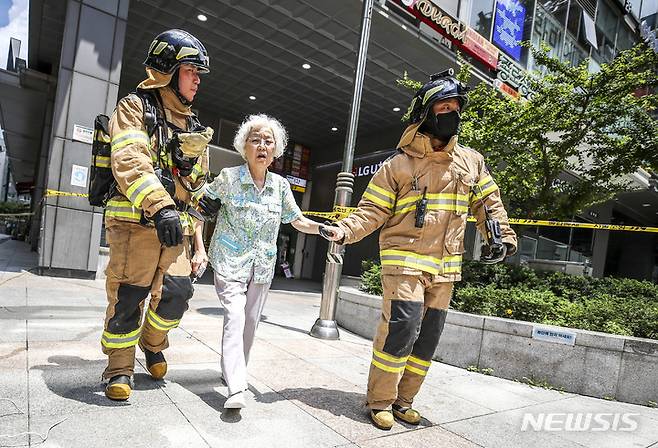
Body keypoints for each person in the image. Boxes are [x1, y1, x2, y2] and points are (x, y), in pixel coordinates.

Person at [324, 70, 517, 429]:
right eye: (444, 107)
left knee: (427, 339)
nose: (452, 114)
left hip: (445, 267)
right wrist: (344, 229)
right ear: (426, 112)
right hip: (405, 264)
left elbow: (489, 204)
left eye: (457, 107)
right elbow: (372, 210)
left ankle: (404, 401)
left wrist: (501, 237)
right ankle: (380, 400)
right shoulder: (399, 164)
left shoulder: (471, 161)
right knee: (401, 328)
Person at [101, 29, 212, 401]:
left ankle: (152, 342)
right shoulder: (135, 107)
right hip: (135, 223)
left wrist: (203, 199)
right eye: (191, 70)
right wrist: (160, 204)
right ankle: (118, 368)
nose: (197, 79)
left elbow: (197, 184)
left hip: (174, 229)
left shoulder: (195, 125)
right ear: (167, 69)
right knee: (129, 297)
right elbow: (130, 160)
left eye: (199, 73)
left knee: (177, 294)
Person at [197, 114, 330, 409]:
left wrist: (321, 228)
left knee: (250, 325)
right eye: (255, 139)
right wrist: (198, 248)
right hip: (230, 259)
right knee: (235, 316)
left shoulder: (280, 186)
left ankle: (232, 370)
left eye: (268, 141)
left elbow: (296, 220)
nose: (262, 145)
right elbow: (198, 210)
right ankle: (237, 386)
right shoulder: (229, 179)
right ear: (244, 146)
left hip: (262, 266)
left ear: (276, 150)